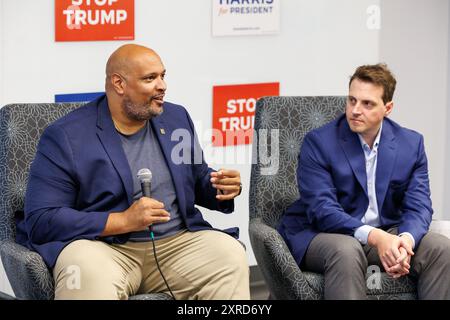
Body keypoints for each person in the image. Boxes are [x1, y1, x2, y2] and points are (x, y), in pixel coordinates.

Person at [17, 44, 249, 300]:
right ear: (119, 84)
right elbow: (42, 220)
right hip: (104, 248)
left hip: (177, 244)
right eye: (150, 78)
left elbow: (197, 179)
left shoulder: (176, 117)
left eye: (162, 76)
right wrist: (122, 220)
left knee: (229, 254)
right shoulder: (66, 136)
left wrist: (220, 188)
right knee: (84, 270)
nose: (162, 86)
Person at [278, 63, 450, 299]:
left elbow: (419, 206)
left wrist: (404, 240)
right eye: (352, 100)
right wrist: (375, 237)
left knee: (440, 248)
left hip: (386, 233)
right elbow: (322, 210)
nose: (355, 110)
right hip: (324, 234)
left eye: (367, 103)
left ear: (388, 108)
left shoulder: (410, 144)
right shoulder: (319, 142)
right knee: (347, 251)